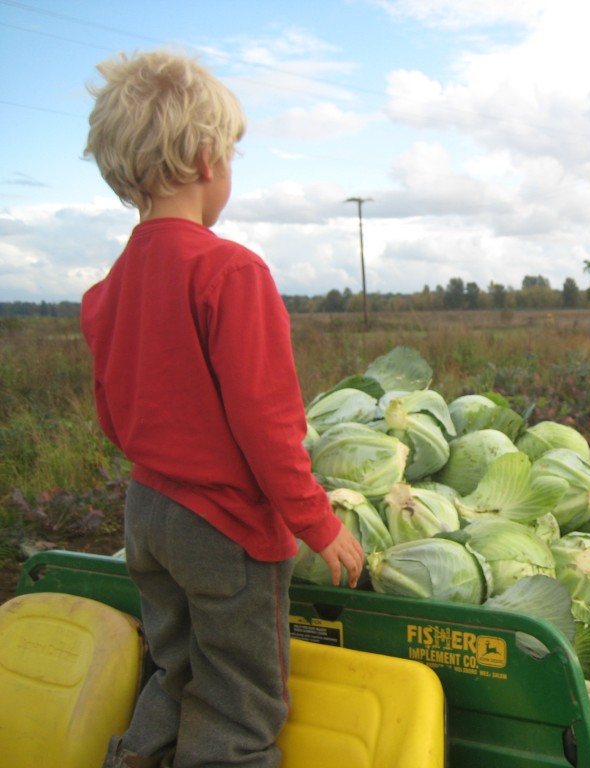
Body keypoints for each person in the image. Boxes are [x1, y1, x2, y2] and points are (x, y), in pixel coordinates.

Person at [81, 50, 365, 768]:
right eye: (232, 156)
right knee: (241, 696)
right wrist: (316, 522)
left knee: (176, 669)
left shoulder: (110, 287)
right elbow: (269, 423)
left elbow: (113, 417)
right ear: (209, 159)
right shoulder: (229, 272)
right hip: (225, 529)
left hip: (147, 512)